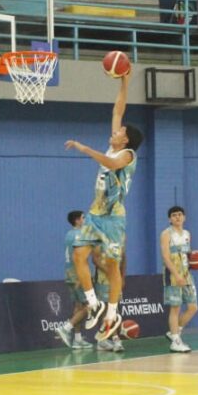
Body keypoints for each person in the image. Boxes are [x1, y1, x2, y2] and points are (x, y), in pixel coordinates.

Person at [65, 72, 143, 341]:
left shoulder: (128, 155)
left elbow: (111, 165)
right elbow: (118, 108)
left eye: (120, 132)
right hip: (96, 214)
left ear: (126, 140)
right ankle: (94, 304)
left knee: (111, 267)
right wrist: (124, 81)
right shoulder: (115, 145)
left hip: (113, 218)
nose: (116, 131)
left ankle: (111, 315)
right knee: (78, 255)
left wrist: (84, 149)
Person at [160, 206, 197, 353]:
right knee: (175, 308)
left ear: (184, 217)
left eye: (180, 214)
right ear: (170, 219)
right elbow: (166, 257)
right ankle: (175, 341)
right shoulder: (166, 234)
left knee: (193, 307)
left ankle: (174, 332)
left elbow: (188, 255)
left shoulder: (187, 234)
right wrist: (176, 274)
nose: (177, 217)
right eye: (174, 215)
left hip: (187, 275)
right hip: (172, 275)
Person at [55, 210, 93, 350]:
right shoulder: (78, 235)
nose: (85, 219)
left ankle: (77, 339)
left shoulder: (69, 234)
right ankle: (66, 328)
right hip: (77, 273)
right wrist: (80, 277)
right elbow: (77, 257)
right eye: (83, 218)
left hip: (69, 272)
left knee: (78, 306)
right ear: (77, 221)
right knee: (89, 305)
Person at [93, 246, 125, 353]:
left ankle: (103, 340)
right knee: (107, 309)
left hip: (115, 279)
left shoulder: (121, 235)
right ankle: (115, 339)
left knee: (115, 308)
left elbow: (123, 257)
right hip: (102, 279)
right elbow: (95, 259)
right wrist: (108, 271)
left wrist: (122, 276)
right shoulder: (98, 237)